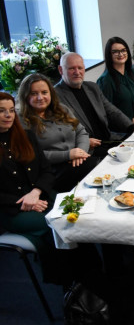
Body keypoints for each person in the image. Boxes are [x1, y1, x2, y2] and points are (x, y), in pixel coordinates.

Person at [0, 92, 106, 290]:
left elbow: (46, 171)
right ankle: (74, 283)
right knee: (61, 224)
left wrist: (36, 192)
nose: (7, 115)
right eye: (1, 111)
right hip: (12, 210)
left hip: (41, 195)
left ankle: (93, 276)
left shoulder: (25, 136)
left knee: (80, 213)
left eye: (10, 110)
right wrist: (25, 200)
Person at [55, 53, 134, 158]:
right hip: (88, 149)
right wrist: (83, 142)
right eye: (71, 69)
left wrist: (131, 127)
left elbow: (112, 111)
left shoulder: (92, 87)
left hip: (109, 139)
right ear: (61, 70)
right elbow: (59, 131)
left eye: (80, 68)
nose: (77, 72)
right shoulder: (55, 96)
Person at [18, 73, 98, 192]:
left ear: (50, 93)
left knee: (97, 167)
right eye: (34, 94)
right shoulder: (21, 120)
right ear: (25, 96)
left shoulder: (61, 109)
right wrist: (68, 155)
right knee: (94, 167)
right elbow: (31, 153)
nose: (40, 97)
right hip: (51, 171)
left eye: (44, 92)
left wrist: (80, 153)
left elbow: (81, 131)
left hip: (78, 162)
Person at [97, 37, 134, 118]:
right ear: (109, 54)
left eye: (123, 50)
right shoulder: (105, 81)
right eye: (115, 52)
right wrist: (132, 121)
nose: (120, 54)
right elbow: (106, 113)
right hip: (125, 128)